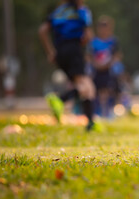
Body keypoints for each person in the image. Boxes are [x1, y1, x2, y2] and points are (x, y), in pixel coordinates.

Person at [39, 0, 96, 131]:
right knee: (84, 86)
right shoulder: (82, 10)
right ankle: (60, 99)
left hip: (60, 52)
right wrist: (84, 46)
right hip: (74, 50)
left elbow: (42, 31)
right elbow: (88, 35)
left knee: (88, 86)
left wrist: (51, 52)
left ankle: (90, 123)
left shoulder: (59, 11)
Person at [88, 15, 119, 118]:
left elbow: (117, 55)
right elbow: (88, 56)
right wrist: (95, 64)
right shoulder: (94, 42)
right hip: (96, 70)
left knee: (109, 90)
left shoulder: (113, 41)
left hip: (109, 70)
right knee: (95, 91)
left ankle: (109, 111)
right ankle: (97, 112)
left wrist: (109, 64)